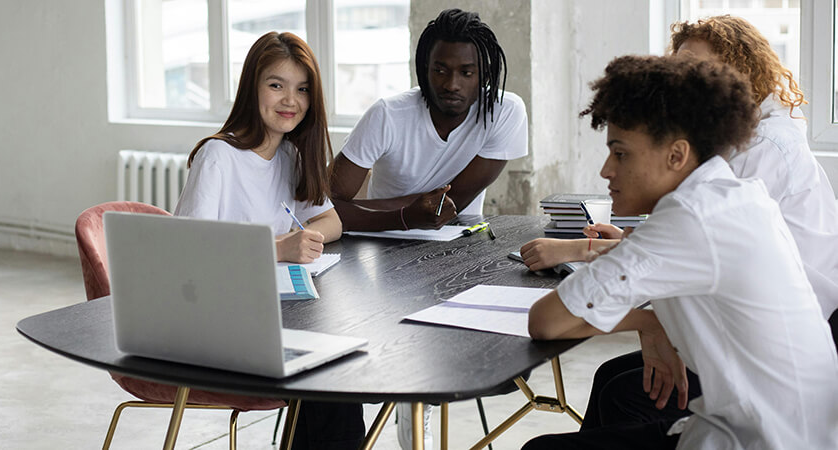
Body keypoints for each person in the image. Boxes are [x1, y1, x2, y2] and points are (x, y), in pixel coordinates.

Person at [524, 15, 838, 433]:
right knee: (611, 384)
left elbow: (544, 321)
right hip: (787, 406)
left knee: (610, 404)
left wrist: (648, 319)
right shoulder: (722, 188)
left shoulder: (751, 162)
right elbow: (687, 248)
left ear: (677, 153)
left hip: (769, 427)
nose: (605, 171)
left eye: (620, 154)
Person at [173, 31, 363, 449]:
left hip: (271, 311)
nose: (289, 101)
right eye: (276, 85)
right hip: (216, 320)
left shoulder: (290, 156)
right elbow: (187, 251)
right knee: (332, 375)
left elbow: (333, 219)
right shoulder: (218, 156)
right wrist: (278, 248)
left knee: (339, 368)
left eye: (301, 89)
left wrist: (306, 235)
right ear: (251, 88)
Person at [329, 8, 528, 232]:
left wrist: (371, 212)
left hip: (462, 241)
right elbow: (322, 206)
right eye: (440, 70)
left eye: (467, 73)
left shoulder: (504, 112)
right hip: (383, 242)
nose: (452, 84)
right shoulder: (387, 115)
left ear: (485, 75)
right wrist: (403, 218)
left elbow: (449, 204)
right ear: (425, 69)